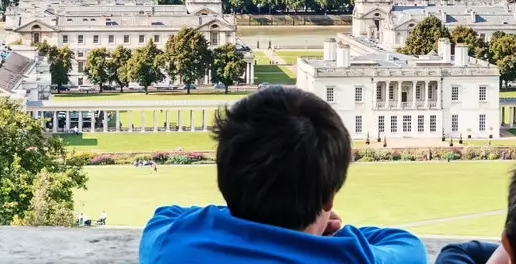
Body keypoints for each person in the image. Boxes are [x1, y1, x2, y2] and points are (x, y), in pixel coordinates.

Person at [139, 86, 426, 264]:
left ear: (225, 179)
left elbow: (166, 215)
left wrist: (238, 208)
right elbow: (408, 247)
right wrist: (334, 233)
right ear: (328, 198)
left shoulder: (173, 243)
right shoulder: (349, 256)